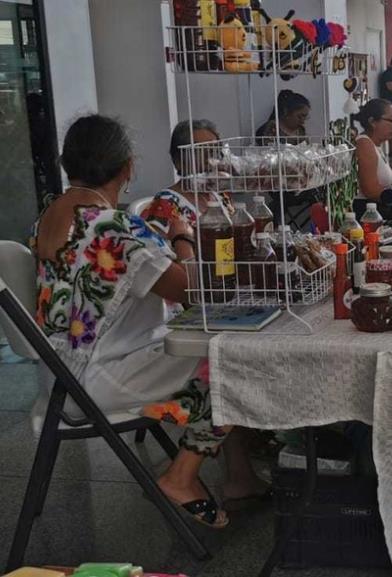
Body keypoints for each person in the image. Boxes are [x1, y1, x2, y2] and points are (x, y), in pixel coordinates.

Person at [31, 115, 266, 529]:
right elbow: (191, 291)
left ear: (69, 165)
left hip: (58, 378)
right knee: (237, 358)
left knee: (211, 348)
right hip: (98, 378)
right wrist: (184, 240)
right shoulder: (114, 228)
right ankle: (181, 476)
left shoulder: (51, 214)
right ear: (128, 168)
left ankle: (239, 476)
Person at [142, 119, 233, 233]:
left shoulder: (220, 195)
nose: (210, 161)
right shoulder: (166, 203)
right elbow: (156, 248)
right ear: (178, 161)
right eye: (199, 152)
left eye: (213, 152)